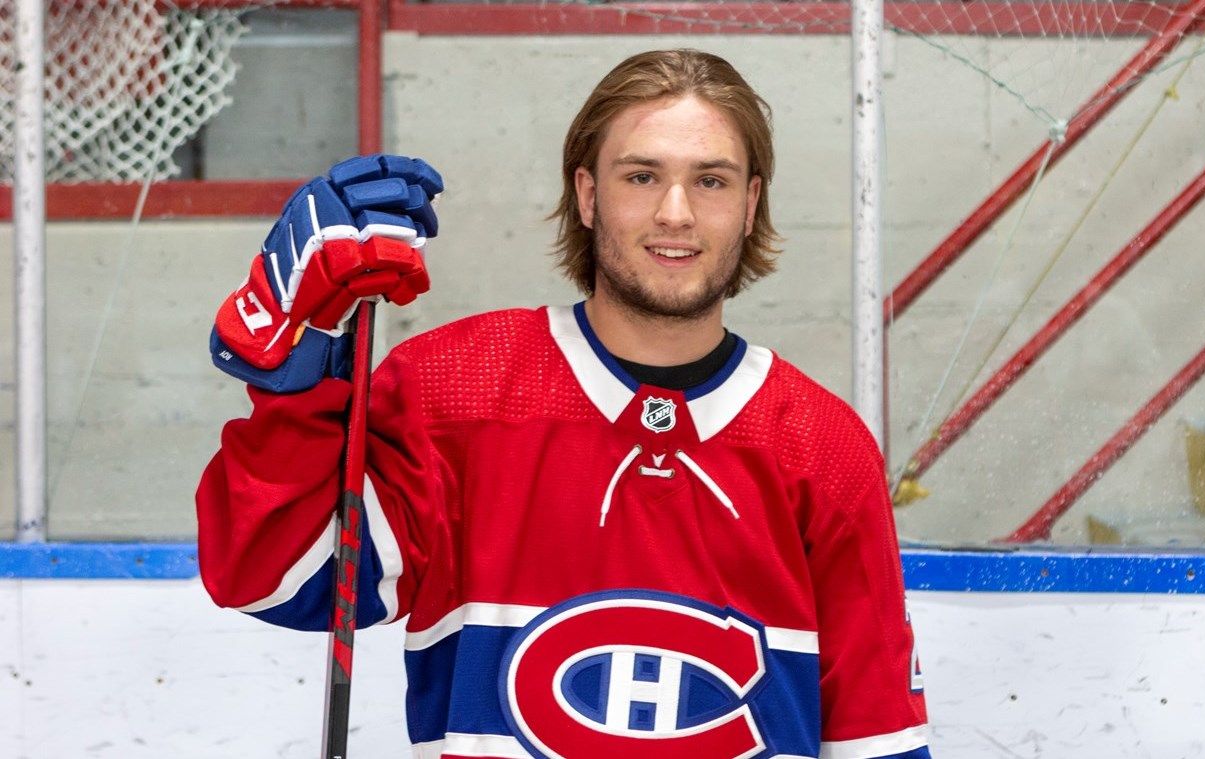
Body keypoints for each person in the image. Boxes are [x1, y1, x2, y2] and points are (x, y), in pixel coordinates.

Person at [198, 49, 931, 759]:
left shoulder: (824, 446)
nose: (675, 212)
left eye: (710, 180)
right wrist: (294, 387)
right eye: (641, 176)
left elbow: (877, 741)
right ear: (586, 194)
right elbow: (281, 579)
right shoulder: (453, 391)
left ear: (750, 204)